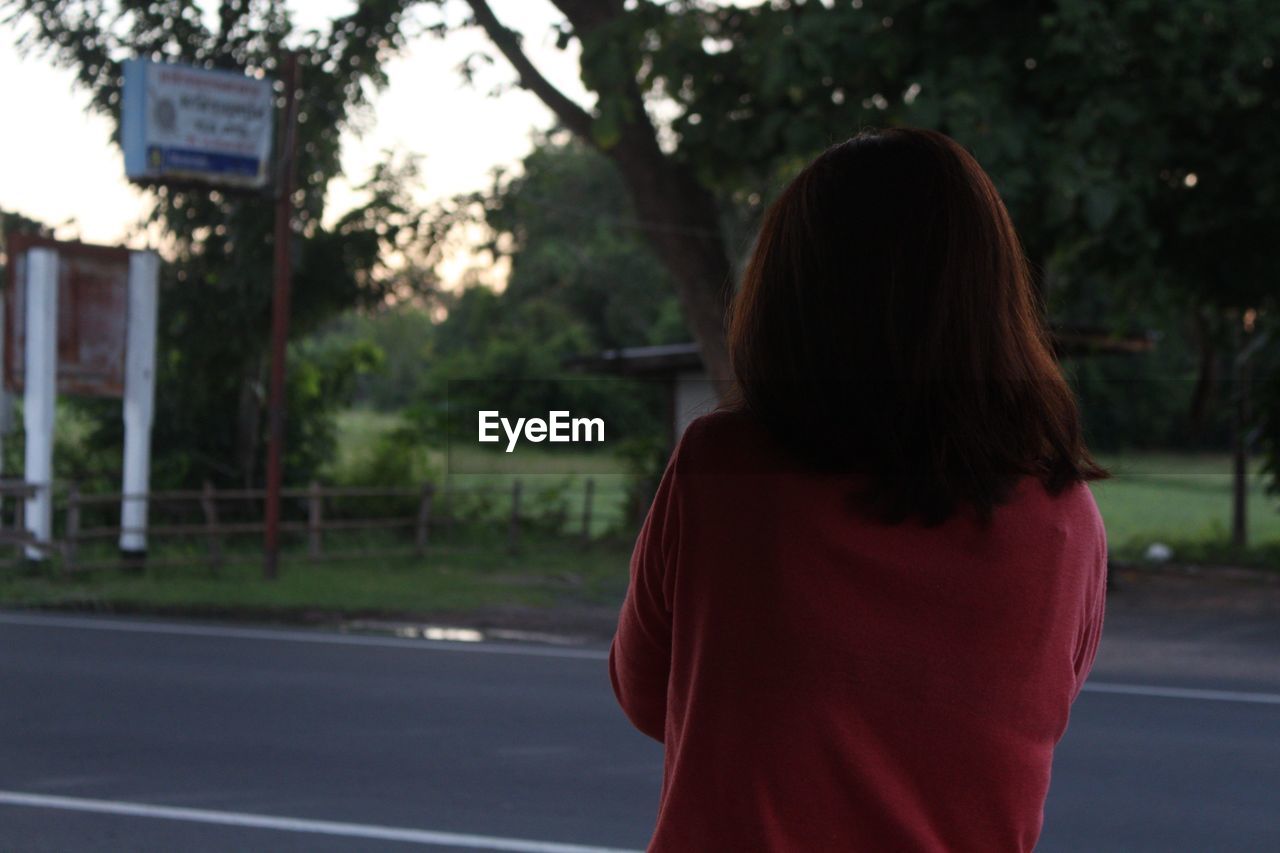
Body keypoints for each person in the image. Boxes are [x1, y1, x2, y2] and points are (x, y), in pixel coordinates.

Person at [609, 128, 1109, 852]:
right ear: (992, 295)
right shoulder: (1066, 518)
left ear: (790, 290)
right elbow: (1033, 710)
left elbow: (647, 693)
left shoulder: (724, 469)